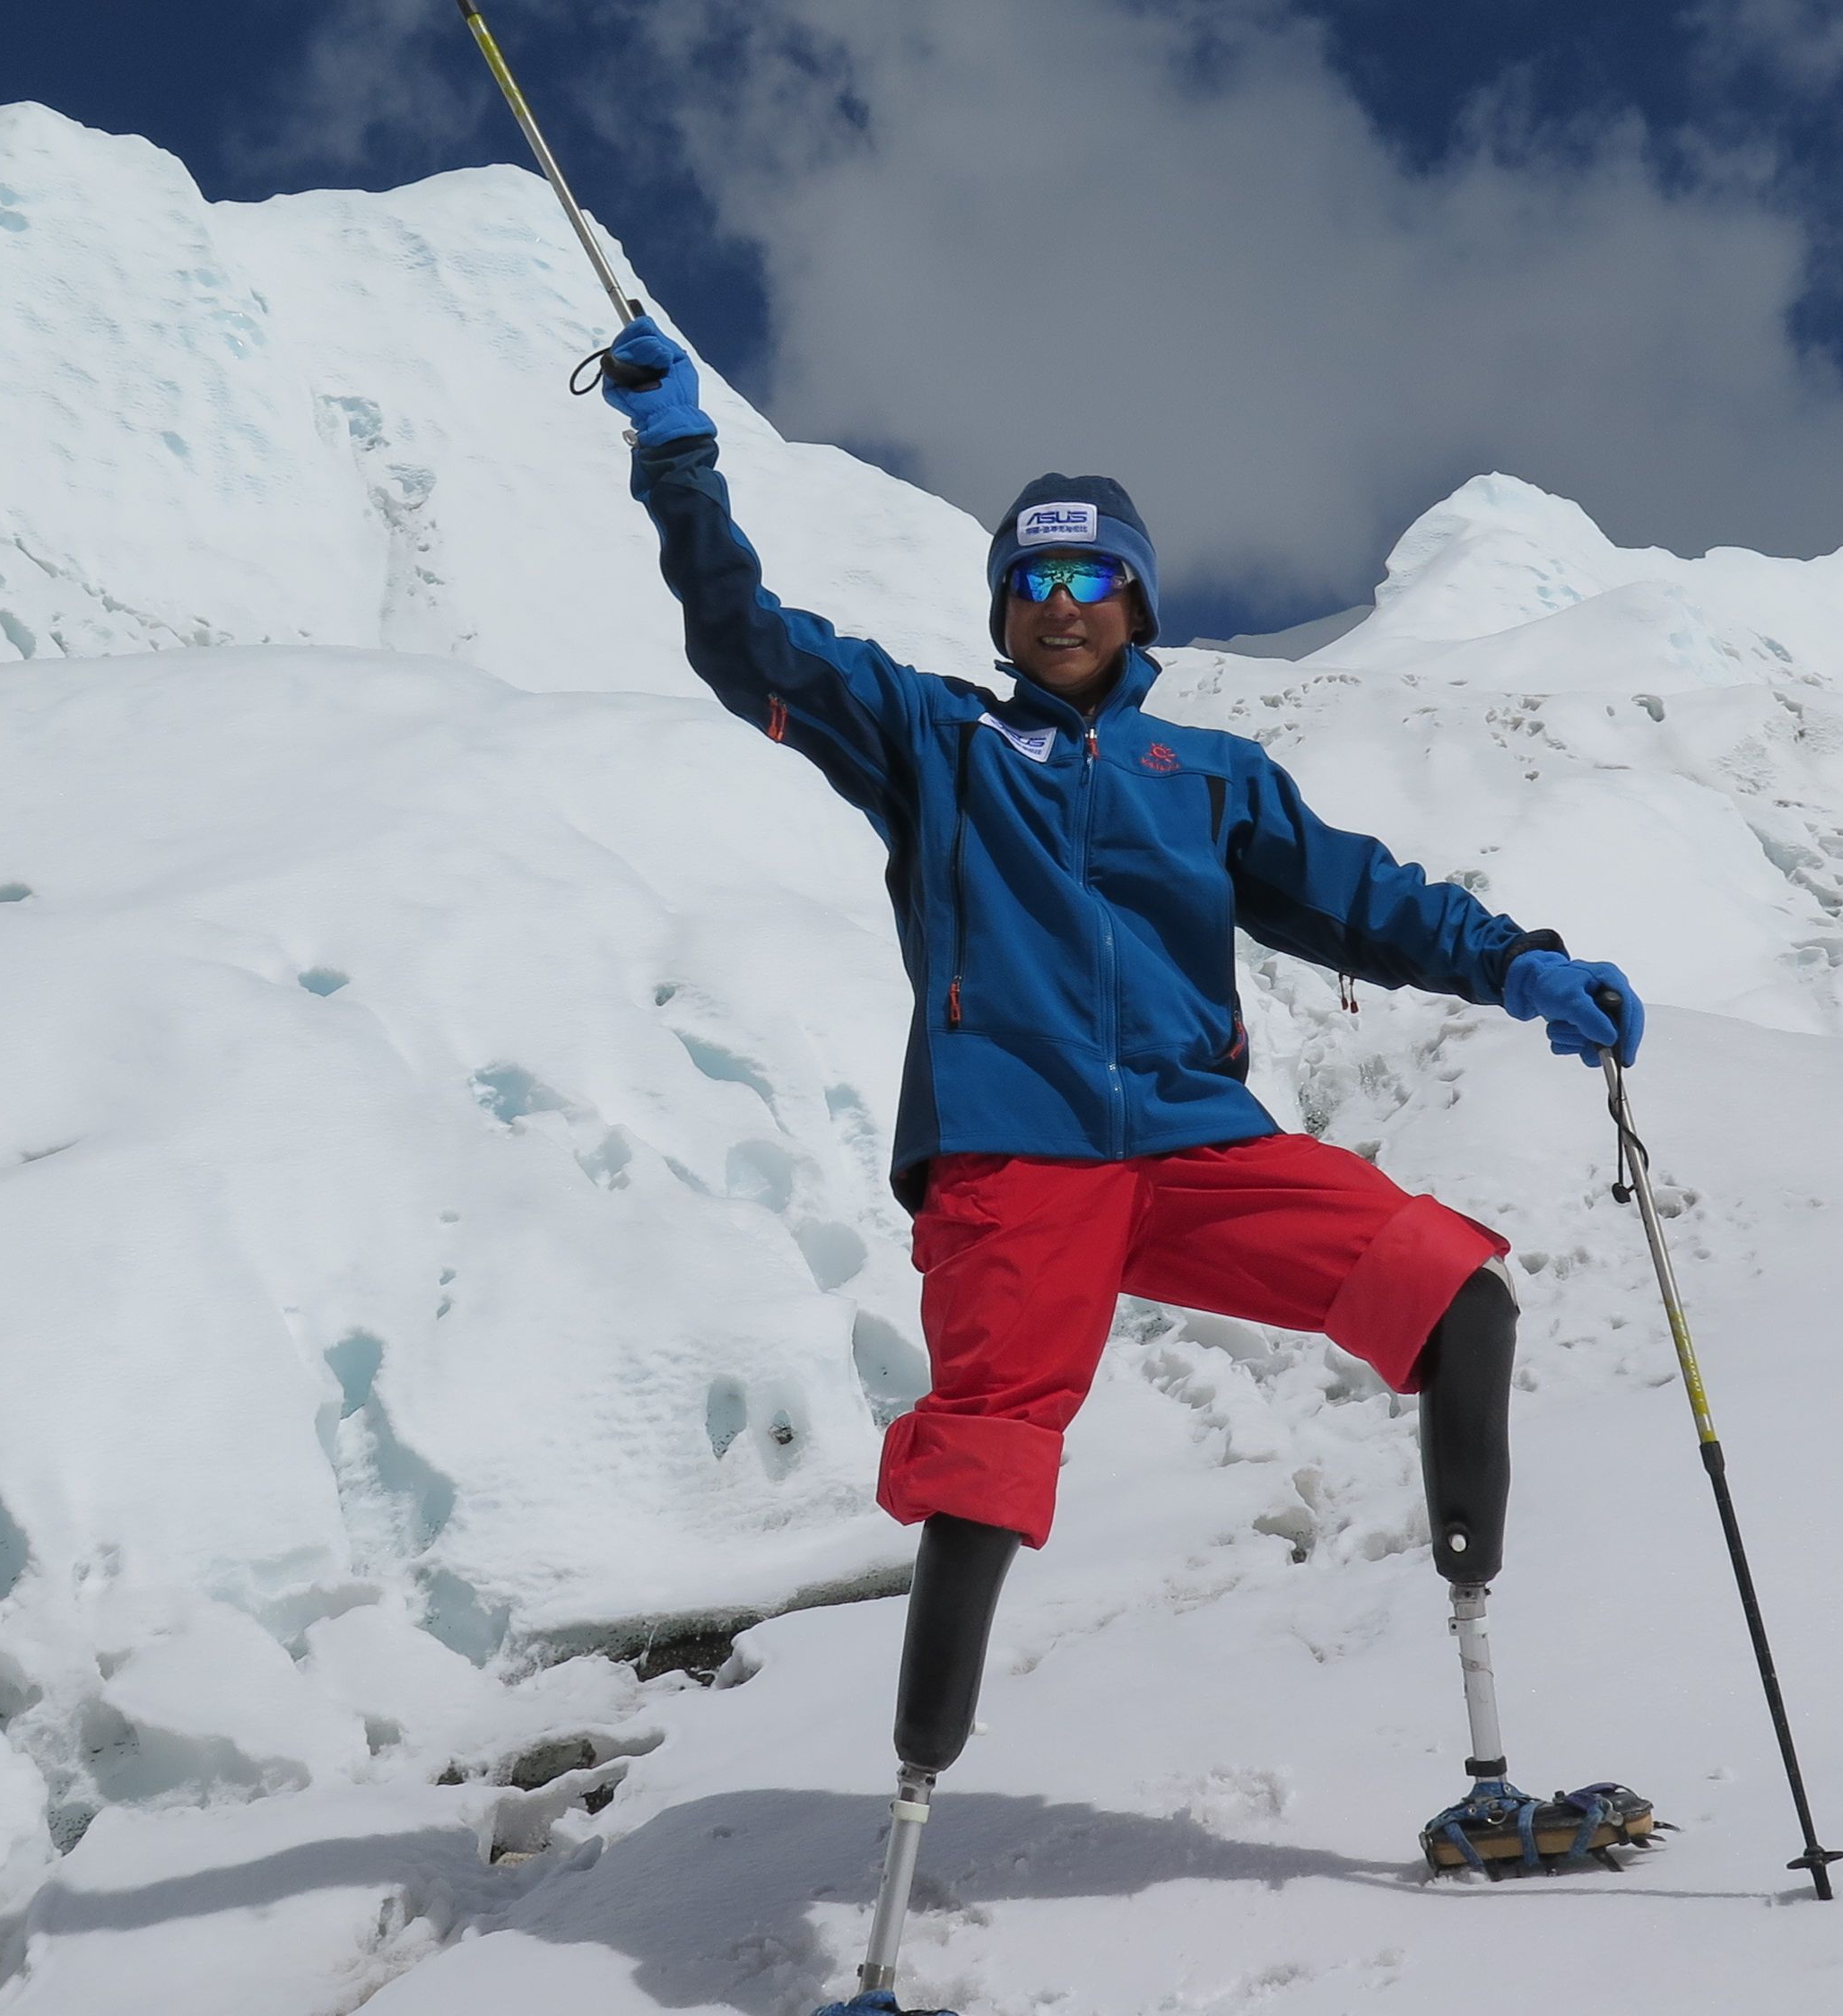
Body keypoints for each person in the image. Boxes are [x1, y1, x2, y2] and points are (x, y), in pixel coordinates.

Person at [600, 317, 1647, 2011]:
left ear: (1140, 608)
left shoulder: (1204, 777)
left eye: (1095, 583)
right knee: (988, 1465)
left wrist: (1516, 959)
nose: (1064, 606)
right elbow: (748, 643)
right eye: (1034, 585)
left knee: (1460, 1299)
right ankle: (883, 1910)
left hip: (1198, 1145)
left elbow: (1367, 898)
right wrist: (678, 455)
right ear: (1006, 613)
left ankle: (1485, 1767)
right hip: (1015, 1152)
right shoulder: (937, 743)